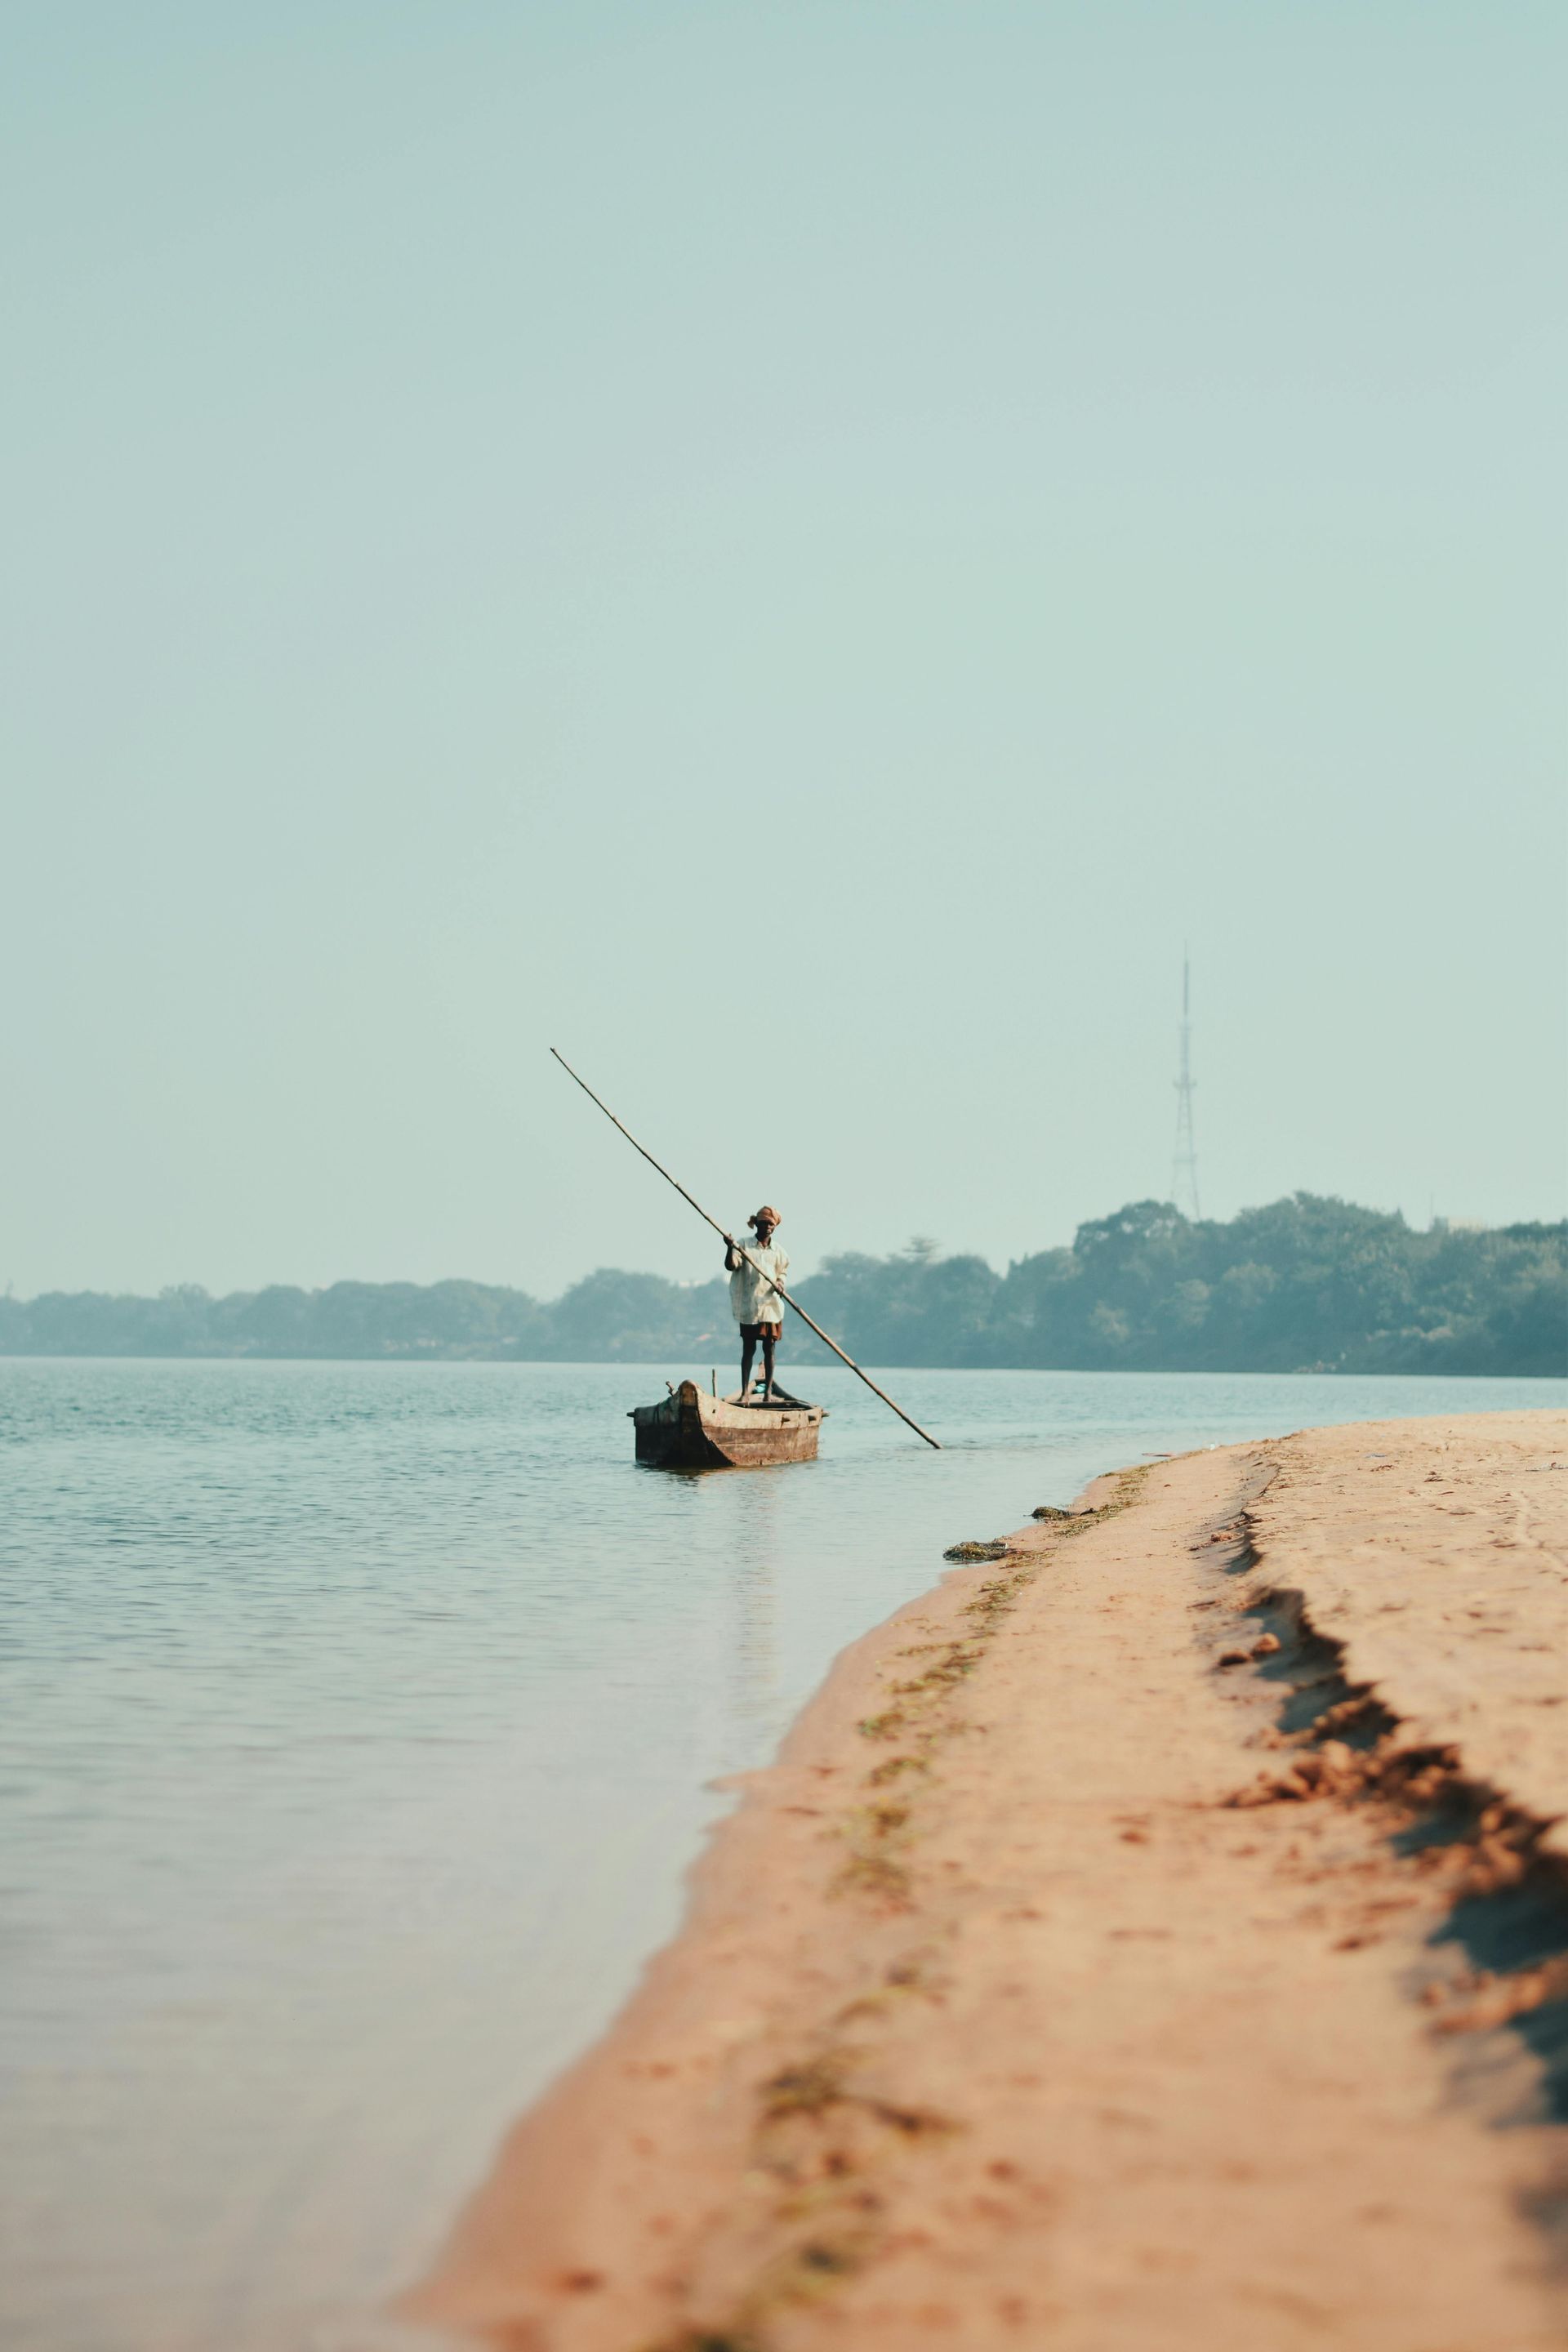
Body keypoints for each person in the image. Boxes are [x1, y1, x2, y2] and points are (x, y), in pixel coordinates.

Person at [724, 1207, 789, 1403]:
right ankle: (745, 1392)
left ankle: (768, 1392)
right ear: (757, 1224)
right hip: (750, 1306)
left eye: (771, 1224)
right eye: (764, 1223)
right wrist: (729, 1247)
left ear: (774, 1227)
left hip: (770, 1306)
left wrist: (780, 1284)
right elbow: (731, 1266)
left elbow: (782, 1273)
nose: (767, 1227)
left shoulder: (778, 1251)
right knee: (748, 1348)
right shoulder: (743, 1245)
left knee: (769, 1348)